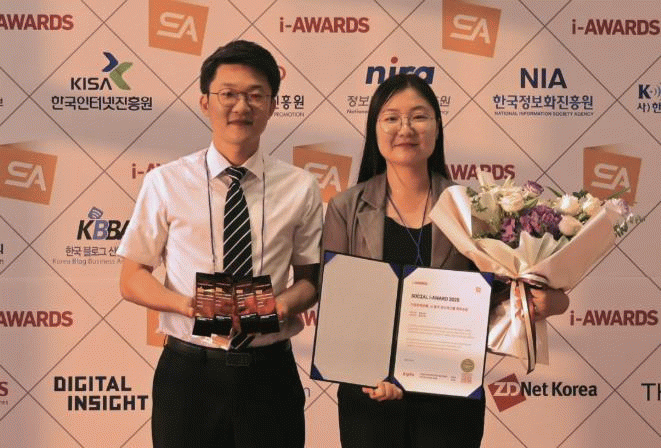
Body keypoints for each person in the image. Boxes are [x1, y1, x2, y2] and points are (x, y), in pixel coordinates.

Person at [322, 73, 569, 448]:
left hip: (450, 396)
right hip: (370, 393)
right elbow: (336, 301)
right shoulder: (346, 208)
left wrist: (548, 301)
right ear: (374, 128)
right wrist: (369, 370)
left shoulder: (476, 209)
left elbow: (504, 293)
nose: (406, 128)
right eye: (391, 117)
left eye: (419, 116)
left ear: (437, 128)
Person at [118, 40, 322, 448]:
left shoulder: (300, 186)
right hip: (189, 376)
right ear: (205, 101)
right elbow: (131, 277)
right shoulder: (166, 182)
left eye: (255, 95)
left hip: (269, 376)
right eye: (228, 94)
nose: (241, 106)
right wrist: (185, 305)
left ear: (273, 105)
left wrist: (277, 306)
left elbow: (311, 280)